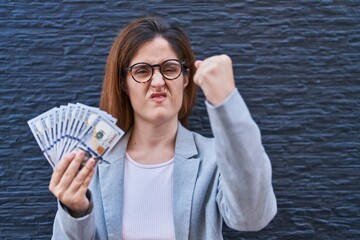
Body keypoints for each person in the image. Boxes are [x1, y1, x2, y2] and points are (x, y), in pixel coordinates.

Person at [49, 16, 277, 239]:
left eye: (169, 69)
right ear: (123, 84)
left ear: (186, 78)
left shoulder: (215, 159)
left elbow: (252, 217)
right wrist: (75, 212)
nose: (158, 82)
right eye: (142, 71)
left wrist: (226, 102)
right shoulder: (92, 162)